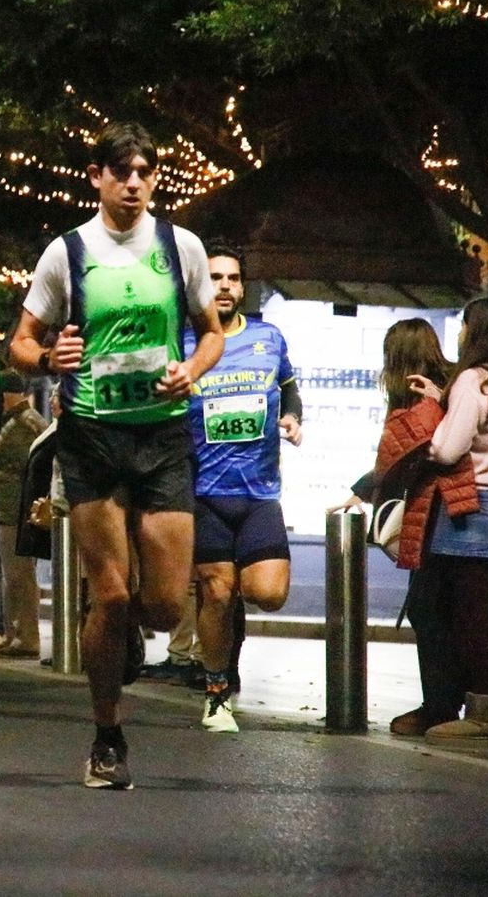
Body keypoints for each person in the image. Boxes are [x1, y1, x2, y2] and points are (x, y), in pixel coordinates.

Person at [8, 122, 222, 789]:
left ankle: (127, 628)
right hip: (92, 436)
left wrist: (191, 370)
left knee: (162, 607)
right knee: (110, 593)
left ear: (154, 179)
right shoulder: (67, 252)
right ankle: (107, 739)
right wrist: (49, 357)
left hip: (162, 436)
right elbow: (20, 342)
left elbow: (212, 333)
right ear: (97, 177)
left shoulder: (180, 247)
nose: (133, 184)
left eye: (144, 172)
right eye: (121, 172)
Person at [182, 243, 302, 733]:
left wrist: (292, 416)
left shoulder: (267, 337)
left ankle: (227, 634)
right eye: (215, 278)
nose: (225, 286)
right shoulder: (182, 344)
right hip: (204, 491)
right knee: (216, 591)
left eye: (232, 278)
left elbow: (289, 386)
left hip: (259, 493)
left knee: (267, 593)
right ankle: (217, 692)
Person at [400, 299, 488, 747]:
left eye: (465, 326)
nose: (459, 334)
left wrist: (431, 433)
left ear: (479, 332)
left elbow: (449, 449)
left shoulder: (474, 379)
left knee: (465, 612)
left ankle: (483, 712)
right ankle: (477, 707)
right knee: (473, 607)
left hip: (467, 503)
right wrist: (444, 398)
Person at [335, 320, 454, 736]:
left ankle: (441, 706)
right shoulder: (444, 390)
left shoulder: (423, 400)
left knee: (428, 609)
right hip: (444, 514)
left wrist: (365, 489)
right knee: (439, 610)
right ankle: (445, 703)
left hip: (438, 515)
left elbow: (399, 458)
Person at [0, 378, 46, 657]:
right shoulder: (14, 421)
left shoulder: (25, 423)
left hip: (15, 510)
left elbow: (30, 470)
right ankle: (12, 634)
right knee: (9, 576)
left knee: (18, 576)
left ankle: (25, 637)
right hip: (6, 509)